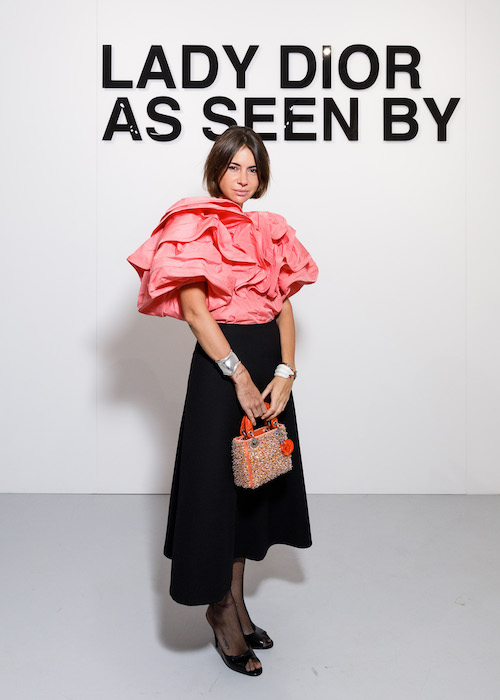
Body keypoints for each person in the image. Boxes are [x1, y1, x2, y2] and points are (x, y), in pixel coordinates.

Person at [127, 126, 318, 676]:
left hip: (268, 367)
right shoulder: (192, 221)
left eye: (253, 169)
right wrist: (238, 376)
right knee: (217, 487)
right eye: (234, 166)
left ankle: (235, 600)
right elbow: (195, 311)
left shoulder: (269, 227)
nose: (243, 178)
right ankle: (219, 611)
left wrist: (286, 372)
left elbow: (283, 305)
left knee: (253, 483)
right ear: (216, 169)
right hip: (222, 370)